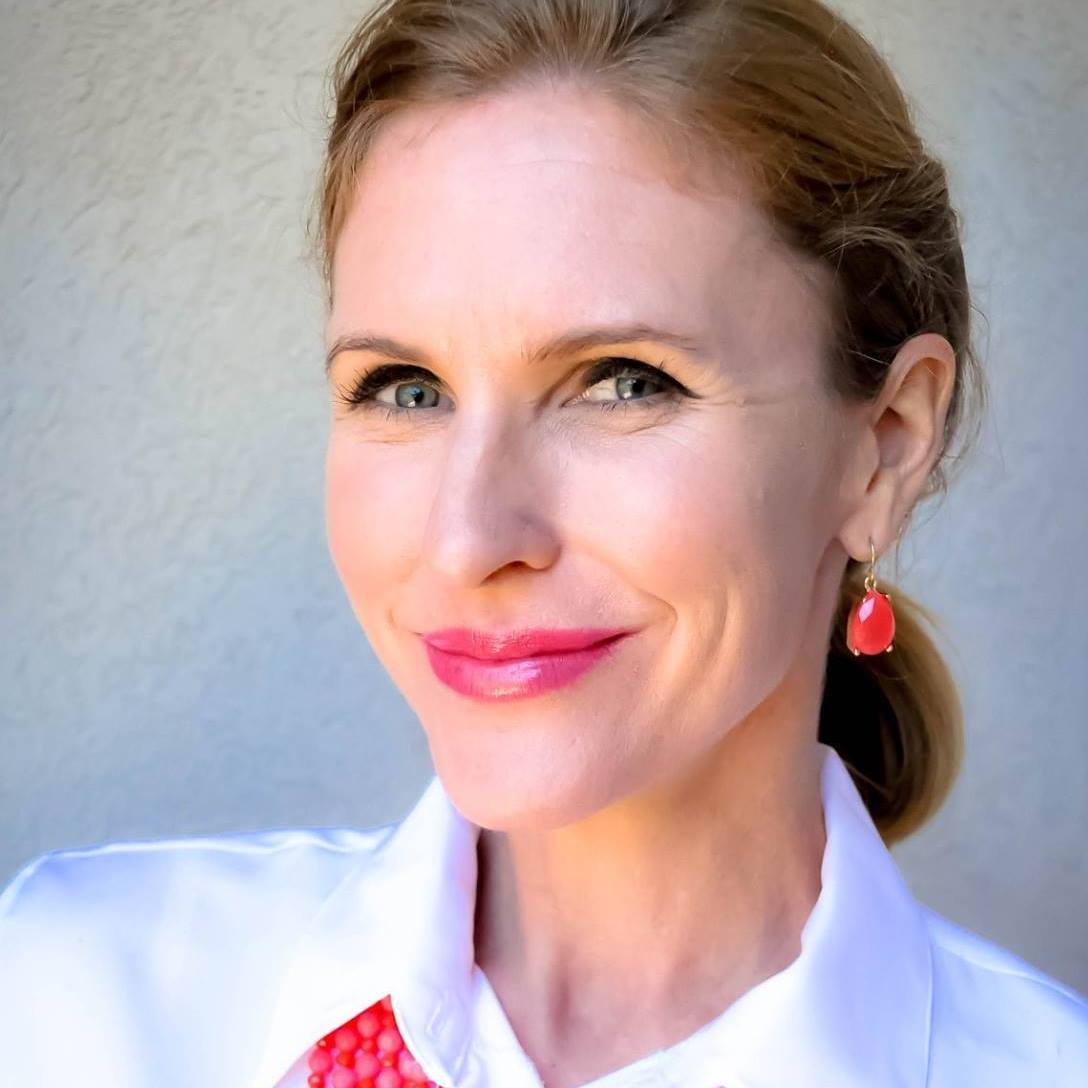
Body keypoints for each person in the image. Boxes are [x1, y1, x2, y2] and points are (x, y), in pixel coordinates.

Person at [2, 0, 1086, 1085]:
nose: (467, 536)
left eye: (621, 381)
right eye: (406, 387)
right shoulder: (74, 1003)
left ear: (884, 446)